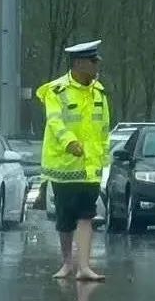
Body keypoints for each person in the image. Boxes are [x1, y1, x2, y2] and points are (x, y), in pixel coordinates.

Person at [36, 40, 110, 282]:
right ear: (78, 64)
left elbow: (103, 129)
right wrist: (70, 142)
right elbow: (55, 122)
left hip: (90, 168)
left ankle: (84, 266)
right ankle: (68, 262)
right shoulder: (56, 91)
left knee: (87, 216)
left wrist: (103, 158)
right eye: (93, 61)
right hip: (64, 167)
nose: (97, 64)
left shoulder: (99, 92)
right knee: (66, 218)